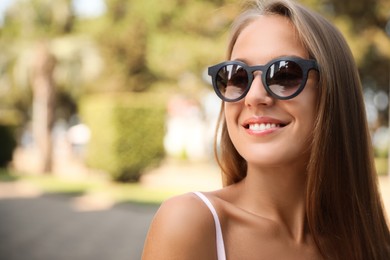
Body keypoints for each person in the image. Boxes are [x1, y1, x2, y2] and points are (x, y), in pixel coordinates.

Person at [142, 0, 390, 259]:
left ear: (333, 93)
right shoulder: (191, 222)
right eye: (238, 77)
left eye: (284, 75)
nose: (254, 96)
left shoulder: (370, 245)